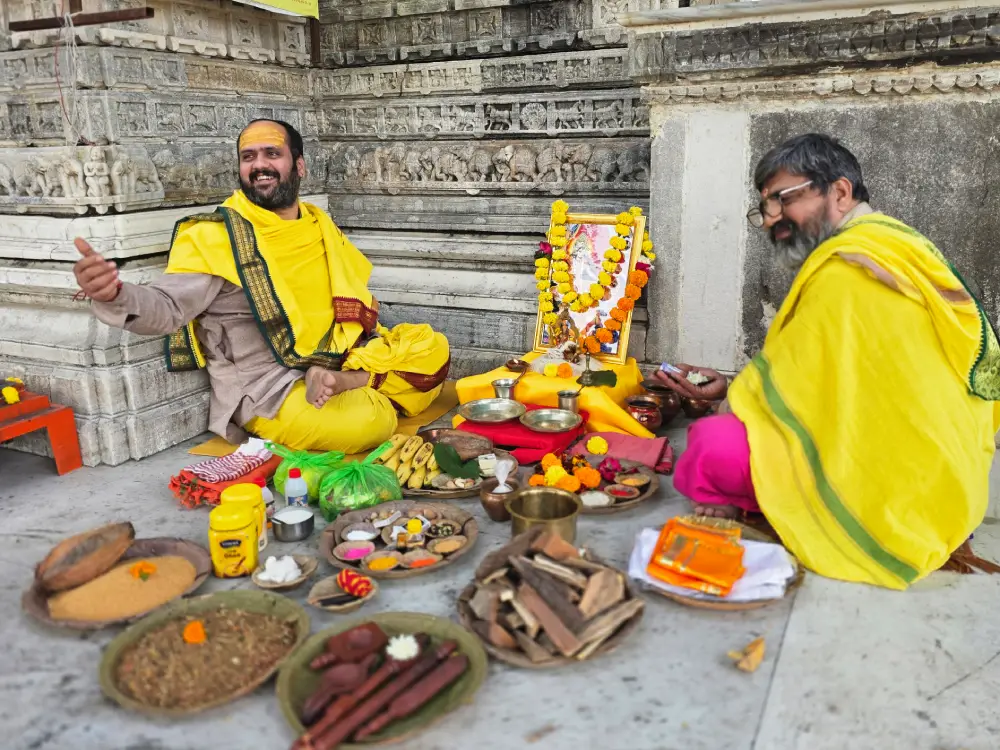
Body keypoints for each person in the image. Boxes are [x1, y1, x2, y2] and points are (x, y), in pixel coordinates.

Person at [657, 133, 1000, 589]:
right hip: (949, 484)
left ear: (839, 191)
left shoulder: (849, 269)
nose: (771, 221)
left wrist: (730, 402)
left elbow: (807, 388)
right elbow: (835, 383)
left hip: (892, 491)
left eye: (782, 200)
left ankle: (810, 514)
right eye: (766, 208)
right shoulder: (900, 245)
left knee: (711, 444)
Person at [72, 119, 450, 454]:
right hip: (271, 386)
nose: (259, 165)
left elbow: (352, 297)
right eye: (248, 157)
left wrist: (359, 354)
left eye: (272, 153)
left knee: (435, 348)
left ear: (298, 166)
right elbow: (168, 306)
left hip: (342, 355)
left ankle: (346, 378)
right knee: (370, 423)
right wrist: (114, 294)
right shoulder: (216, 237)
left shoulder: (318, 224)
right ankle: (362, 385)